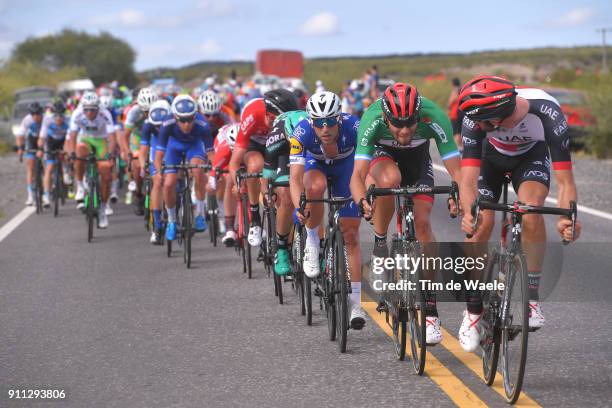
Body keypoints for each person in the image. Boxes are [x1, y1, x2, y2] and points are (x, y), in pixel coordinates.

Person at [458, 75, 582, 351]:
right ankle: (472, 310)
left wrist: (566, 219)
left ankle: (532, 300)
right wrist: (469, 212)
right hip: (491, 159)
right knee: (479, 224)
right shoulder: (473, 118)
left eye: (482, 123)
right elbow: (467, 180)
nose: (475, 126)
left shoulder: (546, 112)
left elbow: (566, 182)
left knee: (530, 211)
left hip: (530, 157)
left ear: (498, 117)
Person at [350, 83, 461, 344]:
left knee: (423, 225)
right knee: (390, 180)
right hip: (383, 158)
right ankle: (380, 246)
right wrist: (361, 200)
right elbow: (357, 175)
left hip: (418, 161)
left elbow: (457, 172)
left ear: (418, 116)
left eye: (410, 124)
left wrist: (460, 196)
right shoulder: (371, 119)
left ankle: (430, 309)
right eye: (397, 124)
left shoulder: (435, 117)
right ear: (386, 117)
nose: (404, 130)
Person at [289, 91, 366, 328]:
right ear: (311, 122)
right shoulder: (301, 132)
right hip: (316, 166)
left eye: (330, 121)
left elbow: (366, 167)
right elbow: (295, 178)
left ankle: (356, 303)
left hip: (346, 168)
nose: (325, 129)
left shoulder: (355, 126)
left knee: (351, 235)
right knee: (315, 186)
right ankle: (313, 241)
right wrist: (298, 207)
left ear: (339, 119)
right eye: (319, 123)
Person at [228, 89, 298, 248]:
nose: (276, 124)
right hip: (254, 144)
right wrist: (238, 184)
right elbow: (234, 162)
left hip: (278, 144)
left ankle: (285, 241)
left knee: (283, 189)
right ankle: (255, 218)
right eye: (274, 120)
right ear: (267, 114)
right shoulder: (253, 114)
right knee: (255, 165)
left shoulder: (286, 124)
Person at [154, 95, 214, 241]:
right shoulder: (167, 123)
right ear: (175, 117)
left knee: (198, 171)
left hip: (194, 146)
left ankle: (199, 214)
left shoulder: (202, 124)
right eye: (182, 120)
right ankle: (172, 221)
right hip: (173, 147)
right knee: (168, 184)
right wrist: (157, 172)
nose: (187, 124)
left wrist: (213, 171)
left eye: (190, 119)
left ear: (195, 116)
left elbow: (211, 153)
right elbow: (159, 154)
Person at [263, 105, 308, 275]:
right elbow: (267, 173)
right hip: (283, 156)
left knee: (312, 192)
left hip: (309, 151)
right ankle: (281, 249)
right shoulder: (277, 136)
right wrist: (268, 193)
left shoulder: (312, 130)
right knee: (287, 198)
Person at [67, 92, 117, 228]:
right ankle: (80, 186)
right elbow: (72, 135)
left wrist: (112, 154)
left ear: (98, 108)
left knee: (106, 171)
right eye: (86, 109)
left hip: (101, 141)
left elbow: (112, 137)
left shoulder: (105, 113)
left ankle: (102, 209)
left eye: (92, 109)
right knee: (80, 150)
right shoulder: (77, 113)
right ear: (82, 108)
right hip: (86, 139)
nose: (89, 113)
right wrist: (71, 153)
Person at [123, 88, 158, 215]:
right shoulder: (134, 112)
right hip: (138, 137)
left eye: (151, 110)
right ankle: (138, 195)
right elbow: (125, 135)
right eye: (145, 111)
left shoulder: (162, 108)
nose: (148, 113)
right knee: (137, 166)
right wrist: (128, 153)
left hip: (155, 136)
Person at [140, 99, 171, 244]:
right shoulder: (147, 125)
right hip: (156, 153)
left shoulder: (174, 122)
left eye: (161, 125)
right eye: (156, 126)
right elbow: (143, 150)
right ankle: (157, 225)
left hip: (171, 150)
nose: (159, 129)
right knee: (157, 182)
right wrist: (142, 166)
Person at [208, 124, 239, 246]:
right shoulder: (224, 148)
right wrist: (214, 181)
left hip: (245, 147)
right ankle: (230, 228)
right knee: (229, 180)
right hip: (224, 152)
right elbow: (214, 173)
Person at [38, 99, 70, 208]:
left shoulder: (69, 120)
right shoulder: (47, 120)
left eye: (61, 116)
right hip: (51, 142)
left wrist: (67, 151)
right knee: (49, 167)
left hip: (63, 141)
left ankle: (66, 171)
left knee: (66, 156)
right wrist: (40, 149)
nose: (59, 118)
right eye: (56, 116)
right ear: (53, 115)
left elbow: (71, 138)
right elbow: (42, 137)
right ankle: (46, 196)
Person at [15, 102, 45, 205]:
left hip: (44, 140)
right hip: (32, 141)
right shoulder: (27, 120)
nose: (36, 116)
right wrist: (20, 148)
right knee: (30, 166)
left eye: (38, 113)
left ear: (41, 112)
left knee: (47, 162)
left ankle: (47, 189)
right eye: (33, 114)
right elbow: (20, 135)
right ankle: (30, 196)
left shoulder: (45, 119)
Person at [447, 78, 463, 152]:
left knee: (456, 132)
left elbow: (450, 102)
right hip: (461, 112)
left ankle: (458, 148)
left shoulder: (455, 91)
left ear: (453, 84)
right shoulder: (462, 90)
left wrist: (448, 106)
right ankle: (461, 146)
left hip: (454, 113)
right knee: (460, 130)